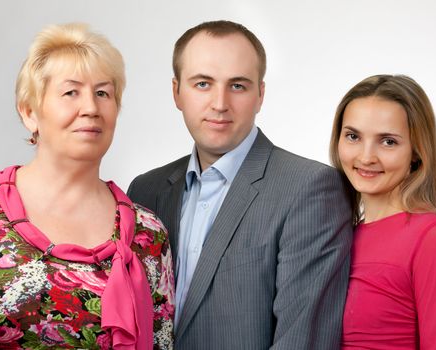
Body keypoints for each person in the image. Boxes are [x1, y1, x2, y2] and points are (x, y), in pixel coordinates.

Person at [127, 20, 352, 349]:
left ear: (260, 95)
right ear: (177, 92)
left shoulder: (309, 188)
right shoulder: (145, 192)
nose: (219, 103)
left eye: (238, 86)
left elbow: (303, 340)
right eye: (203, 84)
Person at [0, 23, 174, 349]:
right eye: (70, 92)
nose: (90, 108)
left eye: (103, 93)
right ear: (30, 112)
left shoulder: (148, 234)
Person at [329, 74, 436, 349]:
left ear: (416, 152)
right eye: (353, 136)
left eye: (388, 141)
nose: (366, 156)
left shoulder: (434, 238)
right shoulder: (339, 235)